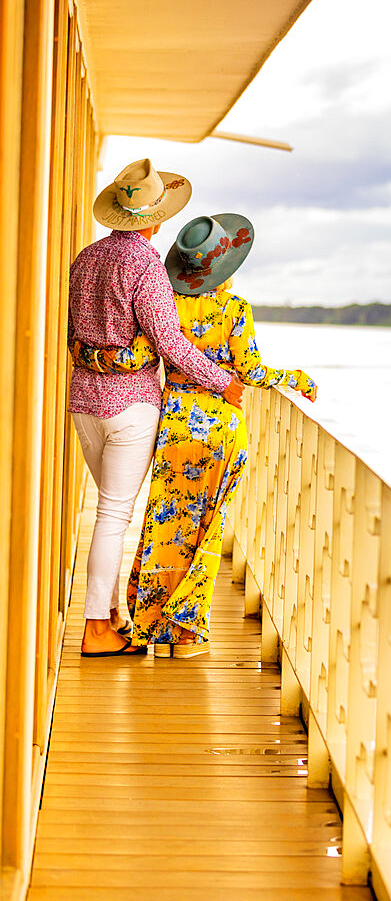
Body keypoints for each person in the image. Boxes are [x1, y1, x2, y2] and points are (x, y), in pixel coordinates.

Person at [71, 213, 316, 659]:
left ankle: (142, 623)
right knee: (200, 531)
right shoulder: (232, 308)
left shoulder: (129, 280)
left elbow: (138, 349)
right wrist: (294, 379)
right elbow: (247, 370)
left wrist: (91, 358)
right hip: (208, 426)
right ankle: (180, 635)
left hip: (164, 421)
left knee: (162, 529)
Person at [68, 160, 244, 658]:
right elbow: (170, 341)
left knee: (110, 510)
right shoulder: (145, 265)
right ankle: (96, 627)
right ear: (157, 219)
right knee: (113, 515)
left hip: (84, 400)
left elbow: (69, 334)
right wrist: (222, 381)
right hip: (131, 405)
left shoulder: (86, 258)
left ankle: (112, 615)